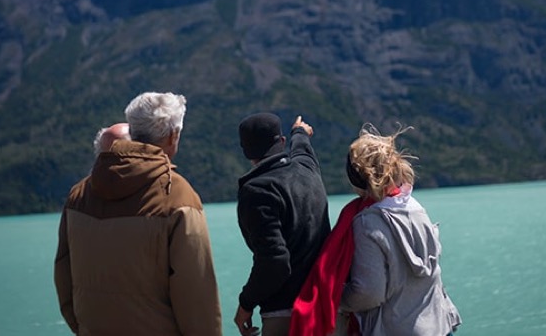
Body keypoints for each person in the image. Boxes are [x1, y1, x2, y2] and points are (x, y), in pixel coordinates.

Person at [54, 92, 222, 336]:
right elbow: (196, 292)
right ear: (173, 135)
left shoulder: (79, 195)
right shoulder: (177, 195)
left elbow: (63, 275)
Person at [337, 125, 461, 336]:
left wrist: (337, 297)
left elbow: (370, 293)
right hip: (439, 327)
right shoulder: (415, 207)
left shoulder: (368, 222)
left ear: (357, 178)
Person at [234, 112, 331, 336]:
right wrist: (299, 131)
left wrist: (245, 304)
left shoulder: (257, 191)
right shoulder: (307, 169)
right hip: (327, 304)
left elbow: (275, 261)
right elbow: (302, 147)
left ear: (246, 151)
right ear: (281, 141)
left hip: (287, 315)